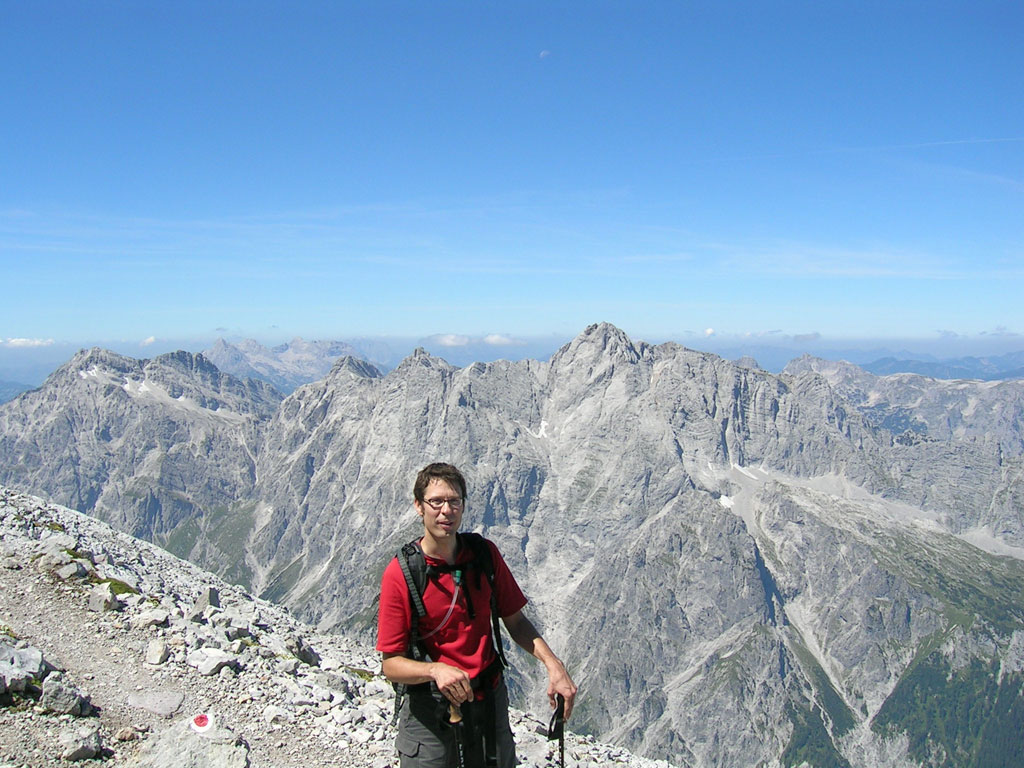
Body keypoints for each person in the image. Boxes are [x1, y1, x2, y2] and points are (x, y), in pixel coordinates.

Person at [377, 462, 577, 767]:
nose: (446, 511)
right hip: (429, 709)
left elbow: (516, 622)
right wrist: (435, 670)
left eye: (454, 501)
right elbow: (391, 664)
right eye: (436, 502)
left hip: (488, 699)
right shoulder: (402, 573)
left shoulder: (484, 555)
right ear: (419, 506)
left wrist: (554, 665)